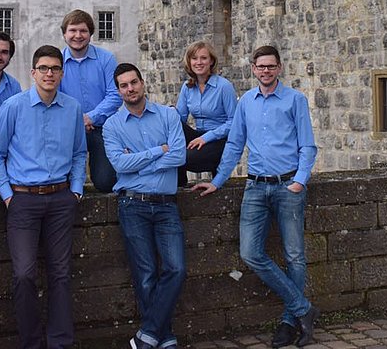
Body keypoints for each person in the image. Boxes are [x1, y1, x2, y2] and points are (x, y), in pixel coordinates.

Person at [193, 46, 319, 348]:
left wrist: (300, 180)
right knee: (250, 253)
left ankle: (289, 323)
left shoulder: (295, 100)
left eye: (271, 66)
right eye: (261, 67)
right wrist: (218, 181)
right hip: (255, 187)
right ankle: (303, 308)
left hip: (288, 185)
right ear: (253, 69)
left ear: (279, 68)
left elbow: (308, 146)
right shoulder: (245, 102)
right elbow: (235, 144)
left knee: (294, 256)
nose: (265, 71)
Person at [0, 44, 87, 349]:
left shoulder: (72, 107)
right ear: (33, 73)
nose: (49, 73)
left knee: (61, 274)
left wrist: (76, 190)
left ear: (62, 73)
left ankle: (60, 342)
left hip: (61, 199)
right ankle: (31, 343)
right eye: (43, 68)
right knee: (23, 274)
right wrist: (8, 196)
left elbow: (79, 152)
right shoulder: (13, 106)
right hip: (22, 201)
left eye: (55, 68)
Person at [104, 62, 187, 349]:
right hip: (132, 205)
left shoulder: (167, 115)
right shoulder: (112, 125)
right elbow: (118, 164)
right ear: (118, 91)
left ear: (142, 82)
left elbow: (178, 156)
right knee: (146, 273)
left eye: (134, 82)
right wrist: (156, 151)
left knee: (176, 269)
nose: (130, 89)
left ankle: (147, 336)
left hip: (166, 205)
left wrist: (138, 165)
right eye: (124, 85)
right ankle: (164, 339)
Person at [57, 9, 122, 192]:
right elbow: (55, 97)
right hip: (68, 129)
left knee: (105, 182)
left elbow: (114, 95)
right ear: (64, 34)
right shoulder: (57, 61)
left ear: (90, 34)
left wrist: (90, 117)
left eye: (83, 31)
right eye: (73, 30)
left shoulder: (106, 59)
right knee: (62, 182)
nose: (78, 35)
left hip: (101, 128)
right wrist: (78, 120)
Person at [174, 40, 237, 188]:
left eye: (203, 58)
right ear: (189, 62)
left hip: (220, 139)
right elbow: (180, 119)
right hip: (198, 136)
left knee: (182, 157)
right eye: (194, 58)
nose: (199, 62)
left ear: (211, 61)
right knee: (172, 126)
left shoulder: (224, 86)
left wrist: (206, 137)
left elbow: (234, 122)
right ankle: (178, 187)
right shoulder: (187, 87)